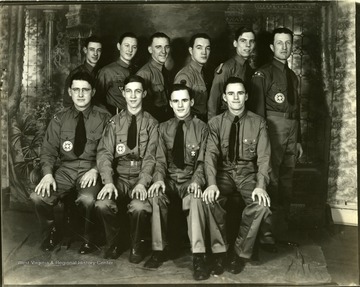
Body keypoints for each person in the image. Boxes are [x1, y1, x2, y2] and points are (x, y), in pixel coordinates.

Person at [30, 71, 111, 254]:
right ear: (69, 92)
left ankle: (89, 237)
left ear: (93, 91)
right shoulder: (60, 119)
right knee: (38, 197)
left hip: (90, 169)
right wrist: (48, 174)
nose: (81, 94)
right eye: (76, 90)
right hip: (66, 169)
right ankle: (52, 232)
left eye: (85, 90)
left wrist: (96, 169)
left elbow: (109, 150)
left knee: (88, 199)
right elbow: (48, 150)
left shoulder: (104, 118)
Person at [203, 77, 273, 275]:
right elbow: (210, 155)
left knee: (261, 204)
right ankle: (220, 252)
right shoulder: (215, 123)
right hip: (224, 172)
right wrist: (211, 183)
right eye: (231, 94)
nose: (236, 98)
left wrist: (260, 185)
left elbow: (264, 157)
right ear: (224, 97)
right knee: (209, 200)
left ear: (246, 96)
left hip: (247, 173)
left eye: (240, 93)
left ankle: (239, 252)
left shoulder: (258, 123)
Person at [143, 84, 211, 280]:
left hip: (190, 180)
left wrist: (197, 182)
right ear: (171, 103)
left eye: (184, 100)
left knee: (196, 200)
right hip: (170, 180)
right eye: (176, 101)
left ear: (191, 102)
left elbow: (202, 161)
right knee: (155, 196)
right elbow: (160, 159)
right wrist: (158, 180)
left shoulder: (202, 128)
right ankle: (158, 250)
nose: (180, 105)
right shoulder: (163, 128)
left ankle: (198, 256)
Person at [95, 75, 158, 262]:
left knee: (139, 207)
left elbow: (151, 157)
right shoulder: (114, 123)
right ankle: (114, 243)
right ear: (123, 93)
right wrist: (107, 181)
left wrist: (143, 183)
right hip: (119, 177)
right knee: (102, 203)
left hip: (141, 175)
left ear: (144, 94)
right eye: (129, 91)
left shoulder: (152, 124)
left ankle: (137, 245)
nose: (132, 96)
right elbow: (104, 153)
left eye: (137, 91)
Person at [249, 27, 303, 236]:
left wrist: (298, 139)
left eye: (288, 43)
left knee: (288, 178)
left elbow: (296, 109)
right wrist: (261, 140)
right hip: (272, 127)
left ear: (292, 46)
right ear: (272, 47)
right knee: (271, 177)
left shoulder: (292, 76)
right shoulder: (263, 73)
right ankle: (267, 231)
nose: (284, 47)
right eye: (279, 43)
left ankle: (282, 227)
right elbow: (258, 112)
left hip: (291, 130)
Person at [207, 27, 255, 120]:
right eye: (243, 41)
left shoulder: (249, 68)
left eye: (251, 41)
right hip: (226, 119)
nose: (248, 45)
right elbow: (214, 100)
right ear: (235, 43)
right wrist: (212, 127)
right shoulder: (227, 68)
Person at [95, 32, 138, 115]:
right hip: (116, 117)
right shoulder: (107, 71)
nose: (130, 50)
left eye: (134, 47)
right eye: (126, 45)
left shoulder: (138, 70)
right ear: (119, 46)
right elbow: (97, 99)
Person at [174, 33, 211, 122]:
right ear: (191, 50)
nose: (204, 52)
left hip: (203, 123)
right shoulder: (185, 76)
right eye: (199, 48)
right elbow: (179, 110)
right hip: (191, 125)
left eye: (207, 48)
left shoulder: (205, 73)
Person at [136, 32, 173, 123]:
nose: (164, 51)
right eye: (158, 47)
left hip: (167, 120)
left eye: (166, 47)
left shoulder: (166, 72)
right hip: (152, 123)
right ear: (150, 49)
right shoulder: (144, 73)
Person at [63, 35, 102, 108]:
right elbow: (67, 103)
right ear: (85, 50)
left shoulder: (104, 72)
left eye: (98, 50)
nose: (95, 53)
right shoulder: (75, 74)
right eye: (92, 49)